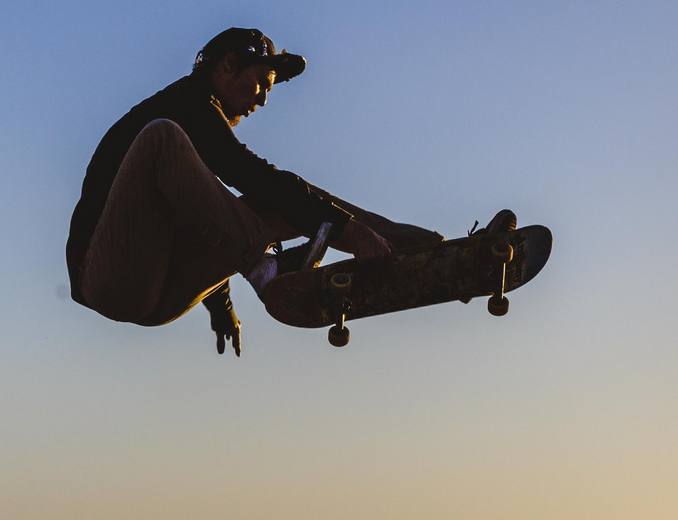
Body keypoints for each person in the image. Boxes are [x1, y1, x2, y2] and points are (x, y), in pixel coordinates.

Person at [67, 27, 440, 355]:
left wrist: (221, 308)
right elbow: (248, 173)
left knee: (280, 204)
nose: (262, 100)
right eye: (262, 83)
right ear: (228, 66)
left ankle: (409, 242)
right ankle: (266, 270)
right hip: (109, 279)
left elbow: (218, 214)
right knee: (162, 137)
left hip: (162, 290)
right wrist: (350, 234)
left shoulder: (195, 138)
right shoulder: (186, 104)